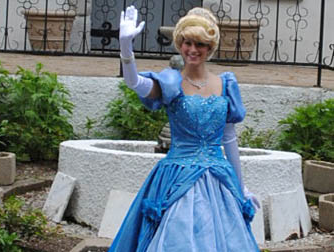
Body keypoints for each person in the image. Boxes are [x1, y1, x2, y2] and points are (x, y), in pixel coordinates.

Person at [108, 6, 261, 251]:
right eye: (187, 42)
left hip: (219, 180)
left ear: (210, 48)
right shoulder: (171, 82)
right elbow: (134, 82)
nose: (192, 49)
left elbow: (229, 139)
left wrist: (241, 187)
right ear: (179, 44)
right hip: (178, 177)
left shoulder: (225, 84)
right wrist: (126, 48)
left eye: (199, 44)